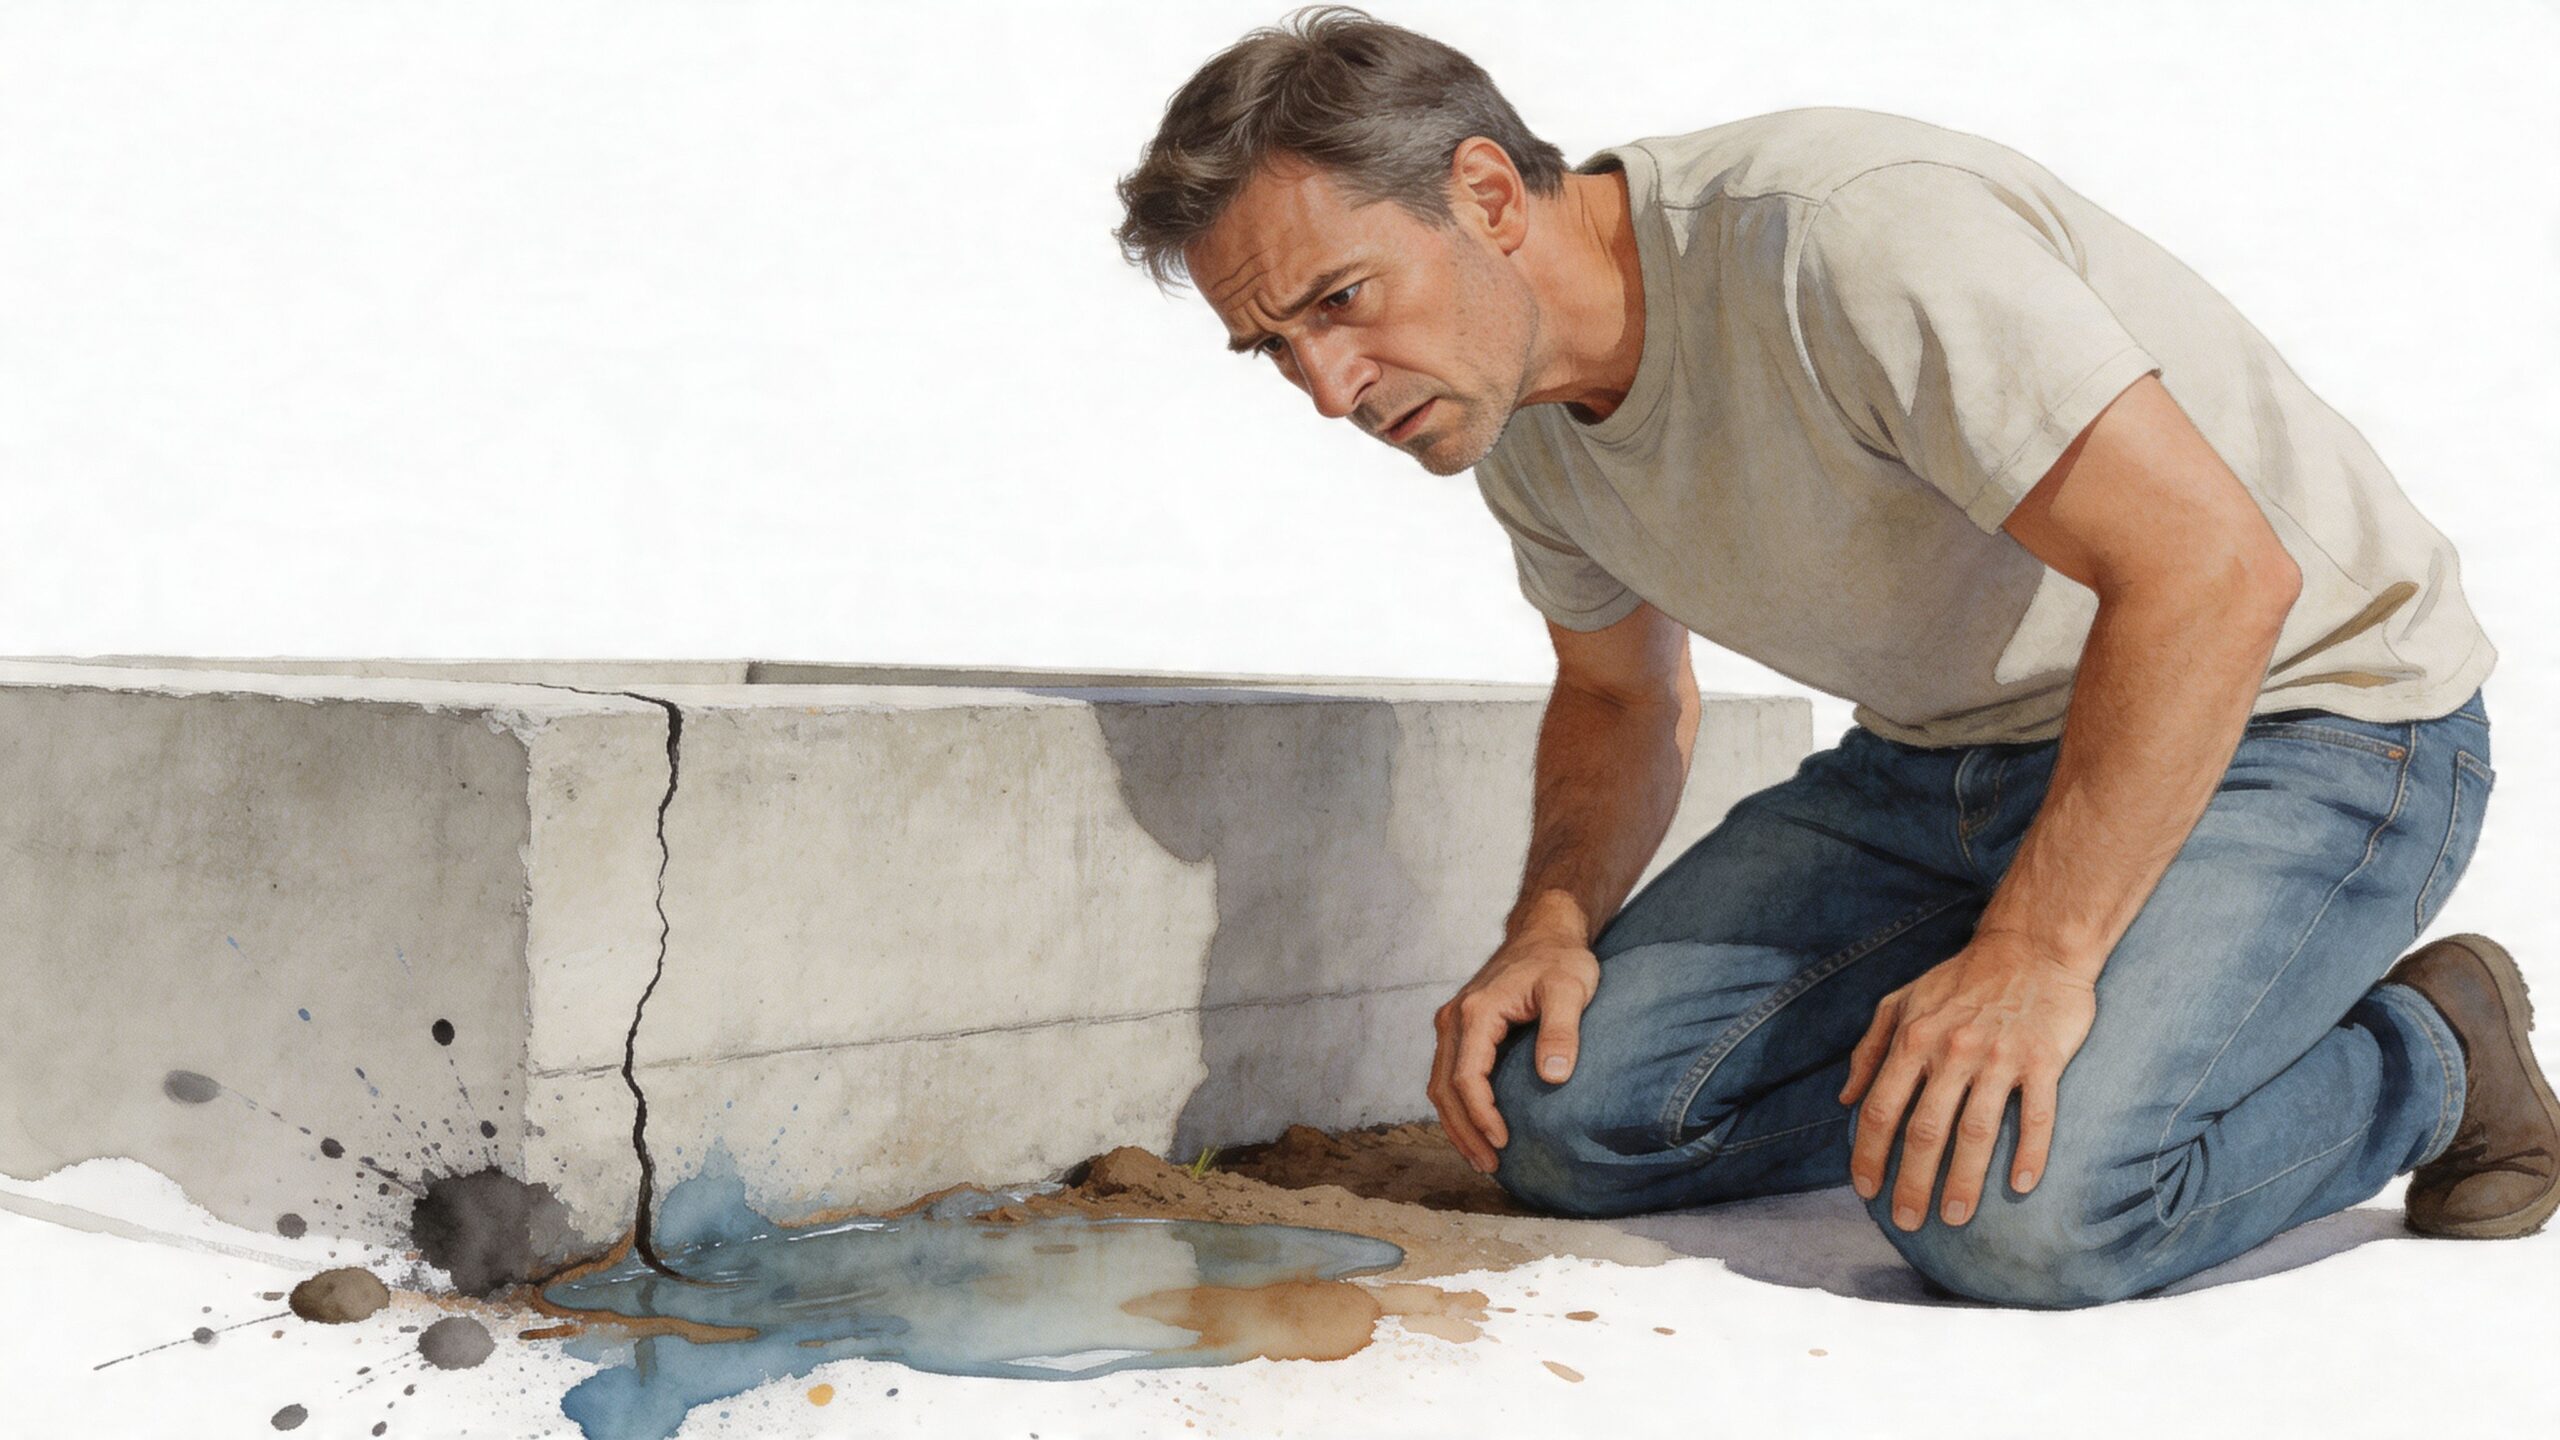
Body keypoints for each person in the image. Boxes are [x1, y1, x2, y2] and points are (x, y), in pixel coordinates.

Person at [1111, 6, 2555, 1306]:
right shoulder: (1513, 416)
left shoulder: (1842, 237)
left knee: (2016, 1217)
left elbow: (2215, 572)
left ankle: (2433, 1055)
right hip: (1935, 769)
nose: (1325, 391)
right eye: (1273, 349)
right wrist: (1549, 923)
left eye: (1341, 301)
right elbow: (1618, 691)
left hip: (2302, 724)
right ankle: (1984, 1055)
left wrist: (2042, 954)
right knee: (1561, 1119)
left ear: (1486, 194)